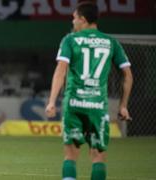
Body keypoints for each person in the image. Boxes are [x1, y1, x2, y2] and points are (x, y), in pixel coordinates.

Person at [45, 2, 133, 180]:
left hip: (74, 104)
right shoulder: (111, 42)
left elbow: (60, 71)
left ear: (83, 20)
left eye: (74, 18)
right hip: (98, 106)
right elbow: (128, 75)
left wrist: (52, 101)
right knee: (98, 157)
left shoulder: (70, 40)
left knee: (70, 155)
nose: (73, 21)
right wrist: (123, 105)